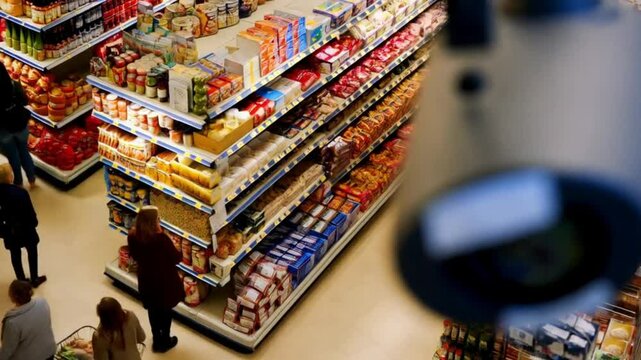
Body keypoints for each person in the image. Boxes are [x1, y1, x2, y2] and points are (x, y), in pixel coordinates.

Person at [127, 206, 183, 353]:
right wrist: (176, 246)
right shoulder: (161, 239)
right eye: (158, 218)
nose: (160, 221)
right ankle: (165, 340)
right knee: (166, 311)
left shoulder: (133, 235)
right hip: (164, 281)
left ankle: (156, 338)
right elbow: (176, 258)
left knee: (153, 310)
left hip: (146, 279)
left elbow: (134, 254)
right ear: (153, 222)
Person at [0, 157, 46, 287]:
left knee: (15, 254)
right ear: (9, 177)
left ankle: (21, 280)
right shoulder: (20, 192)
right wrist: (34, 223)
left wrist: (3, 232)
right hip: (26, 228)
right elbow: (29, 211)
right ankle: (34, 278)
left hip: (9, 230)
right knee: (32, 251)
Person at [0, 280, 56, 360]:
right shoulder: (42, 302)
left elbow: (7, 350)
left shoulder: (12, 322)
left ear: (12, 297)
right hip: (49, 351)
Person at [0, 64, 36, 187]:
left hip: (3, 129)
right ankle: (32, 180)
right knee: (24, 151)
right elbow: (25, 101)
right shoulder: (14, 85)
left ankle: (18, 182)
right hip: (20, 123)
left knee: (13, 156)